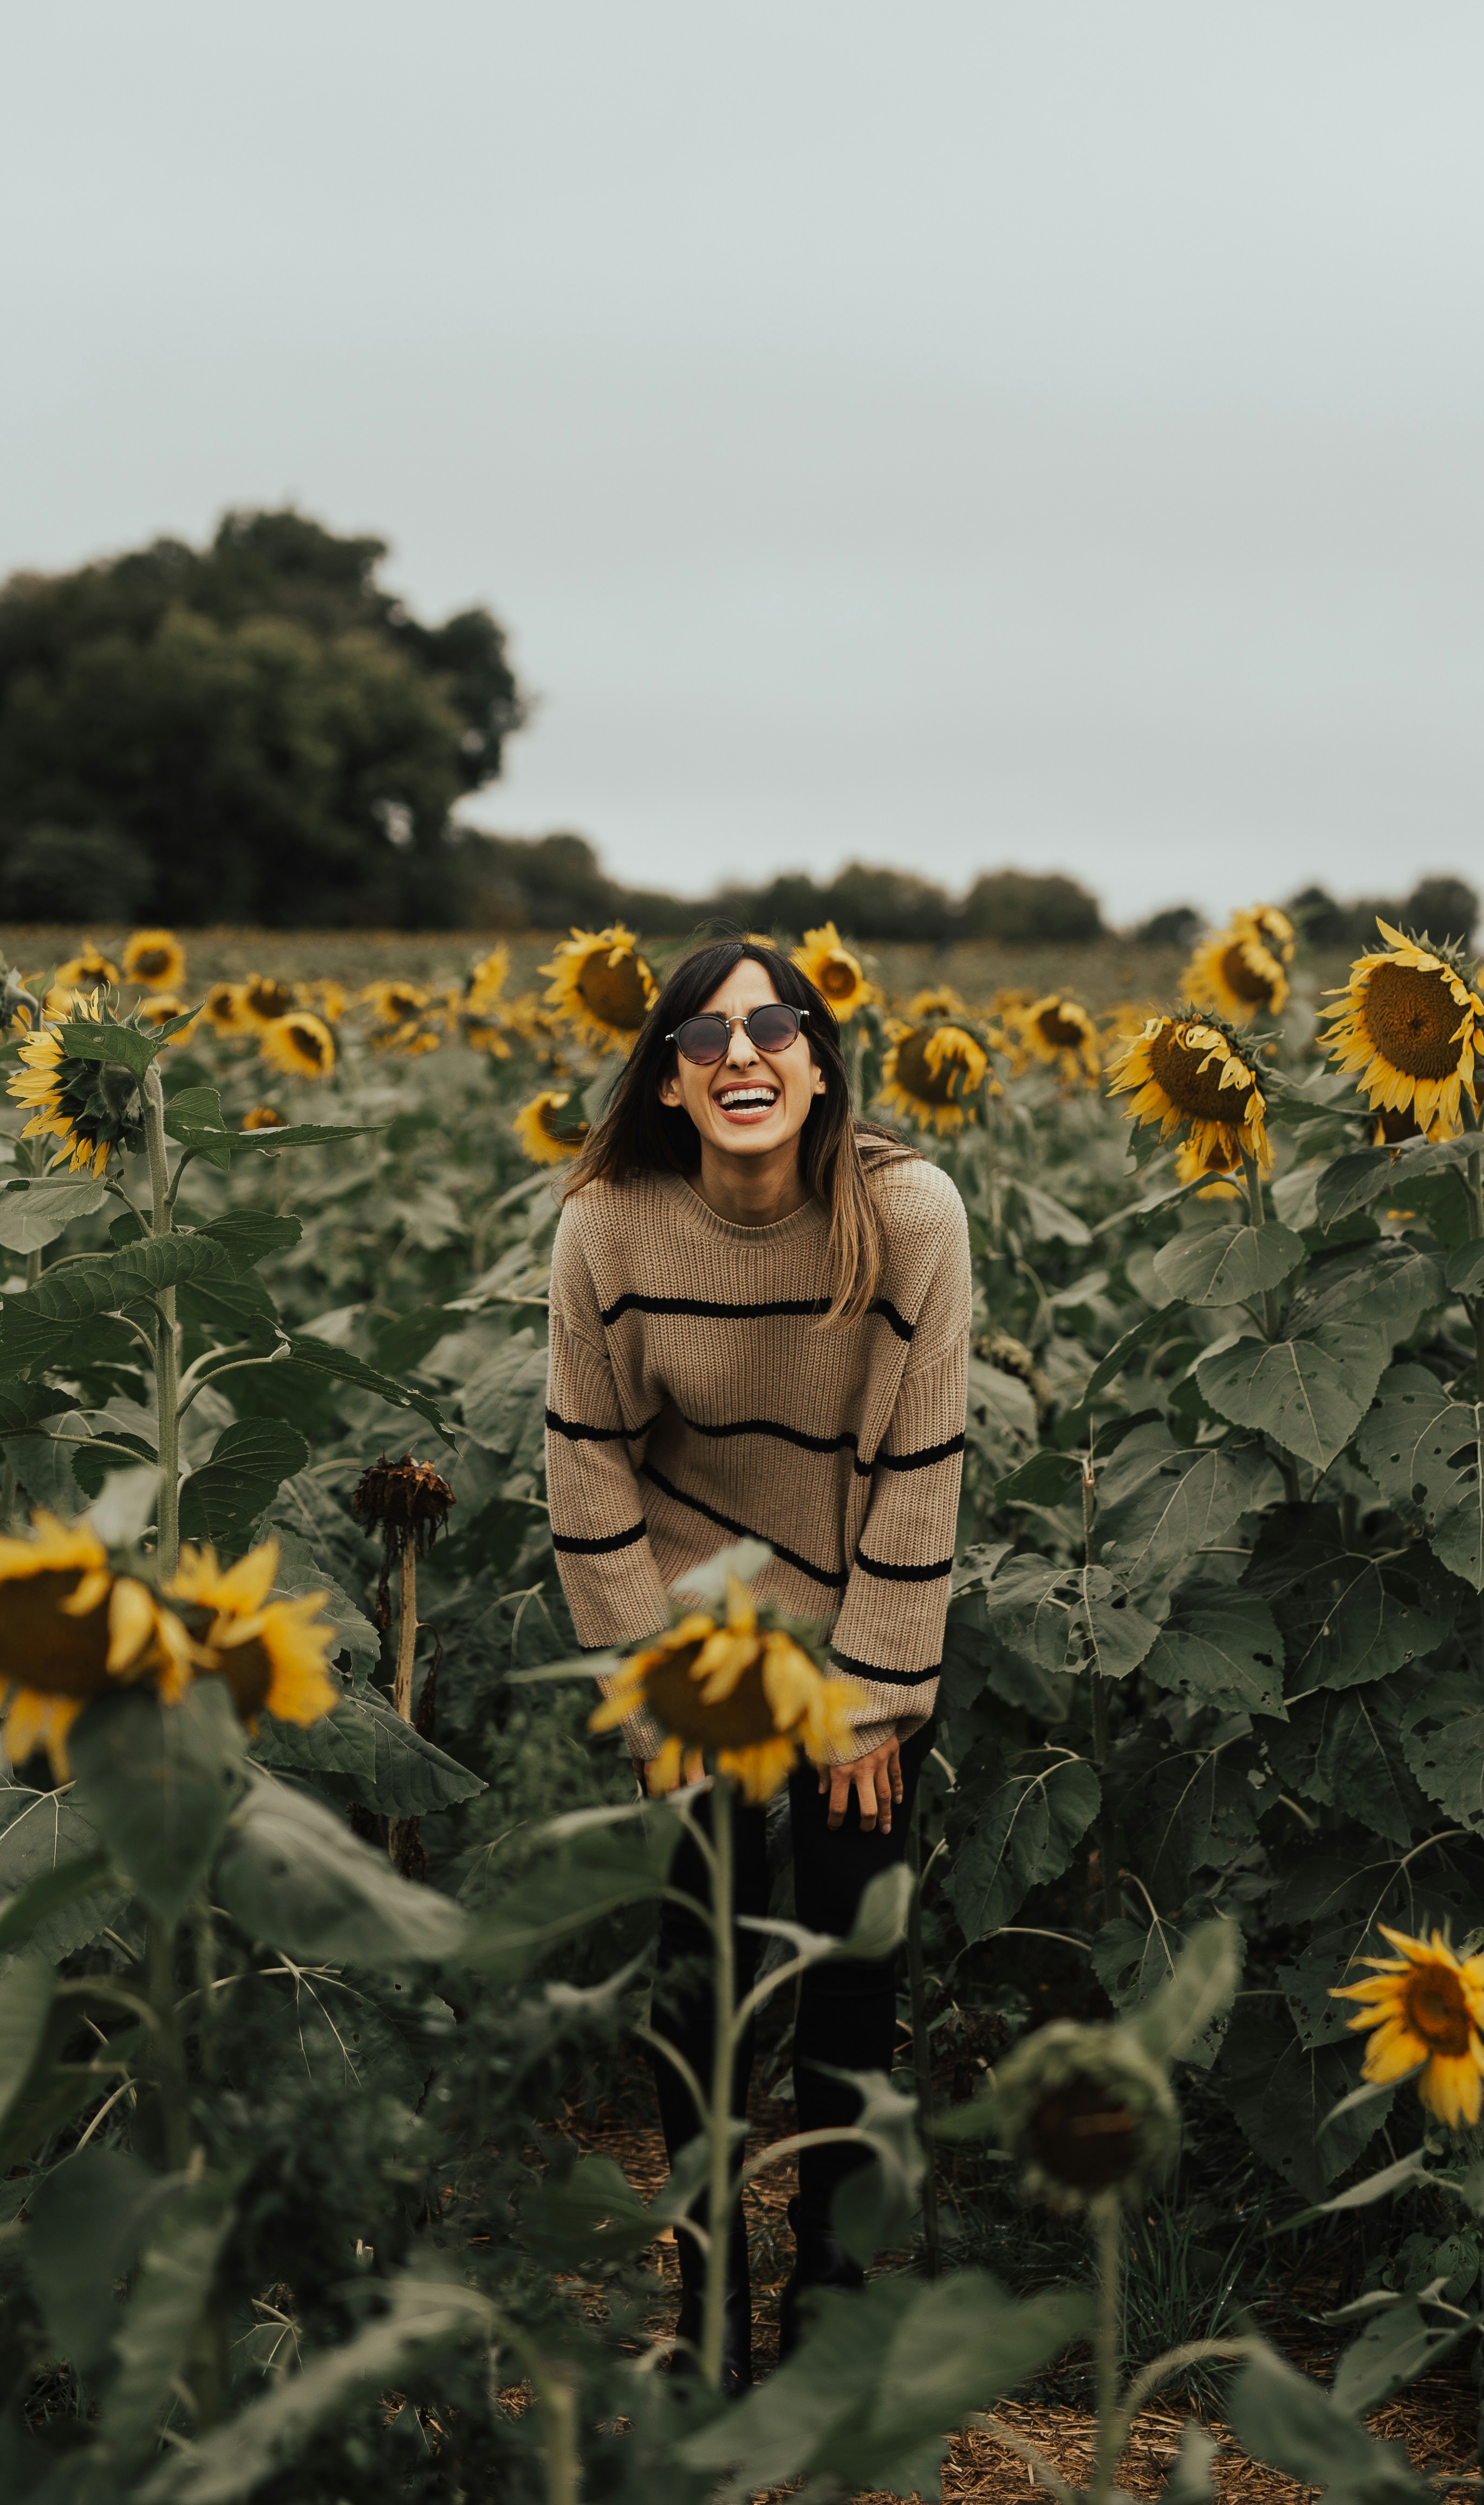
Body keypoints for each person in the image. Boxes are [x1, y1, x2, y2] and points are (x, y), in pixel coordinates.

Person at [546, 936, 971, 2395]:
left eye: (777, 1028)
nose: (745, 1056)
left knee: (855, 1949)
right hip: (695, 1619)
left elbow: (923, 1462)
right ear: (665, 1080)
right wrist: (650, 1677)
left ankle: (838, 2278)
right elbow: (586, 1463)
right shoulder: (605, 1227)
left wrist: (869, 1704)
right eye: (708, 1038)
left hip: (859, 1609)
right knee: (705, 1955)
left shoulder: (908, 1214)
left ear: (821, 1061)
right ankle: (712, 2277)